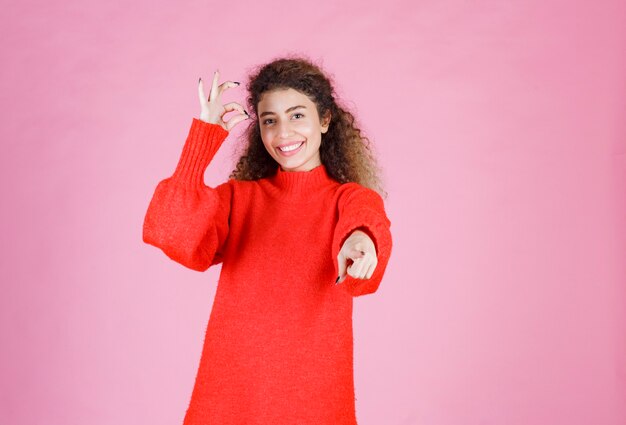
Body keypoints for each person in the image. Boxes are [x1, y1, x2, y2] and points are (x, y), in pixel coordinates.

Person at [142, 55, 393, 424]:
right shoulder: (239, 199)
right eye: (269, 121)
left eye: (297, 115)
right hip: (229, 398)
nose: (283, 133)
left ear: (324, 120)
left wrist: (362, 242)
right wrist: (201, 139)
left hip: (314, 402)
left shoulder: (348, 199)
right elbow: (171, 231)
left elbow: (367, 224)